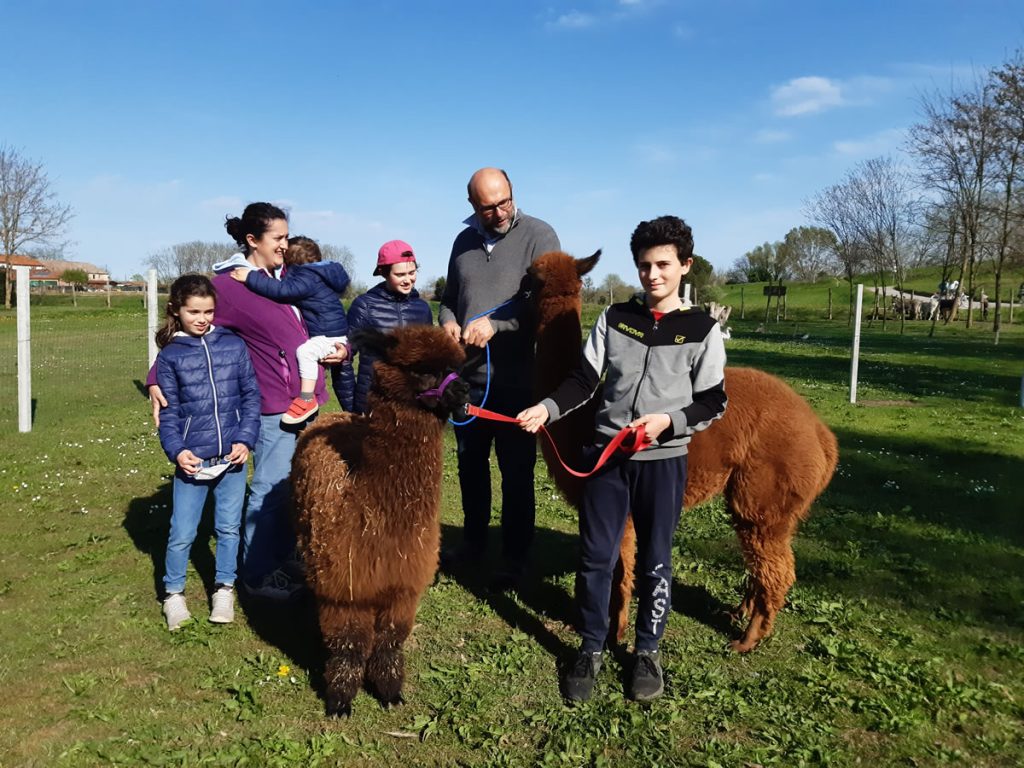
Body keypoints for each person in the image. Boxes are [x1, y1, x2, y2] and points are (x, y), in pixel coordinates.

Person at [517, 215, 727, 703]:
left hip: (662, 459)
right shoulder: (615, 320)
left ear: (684, 266)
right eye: (644, 266)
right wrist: (544, 409)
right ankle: (590, 647)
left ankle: (648, 651)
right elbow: (582, 381)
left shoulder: (701, 330)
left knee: (655, 560)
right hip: (607, 457)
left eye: (663, 265)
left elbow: (713, 400)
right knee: (595, 558)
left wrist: (667, 422)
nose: (653, 275)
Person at [149, 202, 346, 601]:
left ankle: (281, 553)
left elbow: (323, 321)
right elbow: (188, 327)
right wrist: (156, 376)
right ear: (252, 240)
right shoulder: (228, 286)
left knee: (294, 485)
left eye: (288, 237)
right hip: (274, 405)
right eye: (278, 238)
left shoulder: (287, 276)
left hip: (305, 400)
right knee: (270, 489)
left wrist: (344, 350)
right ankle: (257, 574)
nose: (286, 245)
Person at [438, 167, 560, 591]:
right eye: (488, 207)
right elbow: (449, 299)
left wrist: (497, 324)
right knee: (471, 467)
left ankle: (515, 555)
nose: (500, 211)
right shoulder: (463, 242)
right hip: (469, 380)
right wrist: (449, 322)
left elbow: (542, 300)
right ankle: (473, 542)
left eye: (505, 201)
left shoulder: (540, 236)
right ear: (472, 206)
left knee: (516, 472)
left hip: (517, 380)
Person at [154, 274, 261, 630]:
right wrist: (176, 450)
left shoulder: (233, 345)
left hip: (231, 460)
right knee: (182, 531)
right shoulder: (170, 357)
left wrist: (245, 439)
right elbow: (168, 413)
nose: (202, 318)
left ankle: (224, 589)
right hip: (193, 462)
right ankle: (173, 595)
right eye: (194, 311)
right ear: (177, 310)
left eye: (209, 311)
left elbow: (250, 396)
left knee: (229, 528)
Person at [231, 235, 353, 424]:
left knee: (305, 352)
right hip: (334, 334)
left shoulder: (306, 277)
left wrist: (250, 277)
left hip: (327, 335)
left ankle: (306, 398)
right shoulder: (319, 275)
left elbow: (282, 291)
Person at [344, 240, 433, 414]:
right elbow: (344, 357)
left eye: (412, 273)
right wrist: (351, 407)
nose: (408, 280)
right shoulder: (364, 305)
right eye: (400, 275)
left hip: (412, 406)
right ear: (384, 273)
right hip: (372, 405)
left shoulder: (423, 308)